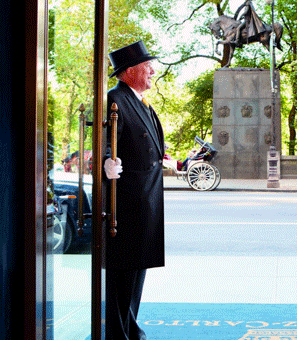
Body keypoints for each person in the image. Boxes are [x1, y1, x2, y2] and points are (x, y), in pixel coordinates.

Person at [103, 40, 165, 340]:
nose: (153, 70)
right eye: (147, 66)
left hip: (144, 201)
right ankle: (119, 333)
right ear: (129, 71)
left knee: (137, 270)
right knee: (123, 273)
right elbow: (106, 142)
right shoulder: (115, 98)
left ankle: (129, 327)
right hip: (126, 202)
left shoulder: (138, 99)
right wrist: (105, 163)